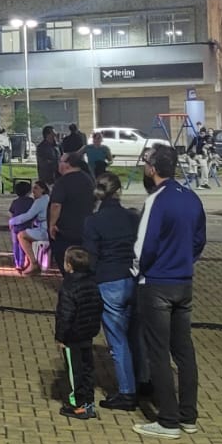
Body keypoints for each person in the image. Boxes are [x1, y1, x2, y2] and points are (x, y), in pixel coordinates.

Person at [131, 144, 206, 440]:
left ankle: (168, 421)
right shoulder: (191, 197)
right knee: (184, 351)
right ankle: (189, 415)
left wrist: (138, 272)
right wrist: (185, 261)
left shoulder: (156, 201)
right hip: (183, 282)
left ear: (152, 168)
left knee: (158, 353)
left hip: (157, 284)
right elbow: (199, 240)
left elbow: (144, 245)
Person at [82, 171, 140, 411]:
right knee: (135, 335)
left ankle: (127, 392)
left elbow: (90, 257)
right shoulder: (132, 217)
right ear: (119, 191)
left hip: (108, 280)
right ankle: (143, 379)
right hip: (131, 278)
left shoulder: (93, 221)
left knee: (117, 340)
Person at [56, 246, 103, 420]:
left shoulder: (69, 285)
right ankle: (89, 401)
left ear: (69, 265)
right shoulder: (92, 282)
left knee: (74, 370)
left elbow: (65, 314)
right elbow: (98, 305)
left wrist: (61, 336)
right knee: (87, 368)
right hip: (87, 333)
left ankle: (78, 404)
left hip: (73, 336)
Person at [48, 154, 95, 273]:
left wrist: (52, 224)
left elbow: (56, 205)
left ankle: (69, 282)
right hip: (84, 227)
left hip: (64, 229)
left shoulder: (62, 182)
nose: (58, 164)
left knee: (65, 258)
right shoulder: (88, 179)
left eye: (60, 161)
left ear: (67, 164)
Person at [10, 180, 51, 274]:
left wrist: (12, 221)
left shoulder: (40, 201)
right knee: (26, 234)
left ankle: (33, 262)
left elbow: (28, 216)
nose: (33, 191)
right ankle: (28, 261)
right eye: (33, 188)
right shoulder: (46, 199)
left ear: (43, 190)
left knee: (21, 235)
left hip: (44, 231)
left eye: (36, 188)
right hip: (45, 228)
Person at [5, 180, 34, 270]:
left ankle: (18, 263)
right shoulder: (31, 201)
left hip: (15, 227)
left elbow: (11, 213)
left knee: (16, 245)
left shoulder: (15, 202)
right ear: (29, 192)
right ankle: (24, 262)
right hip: (27, 227)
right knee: (24, 245)